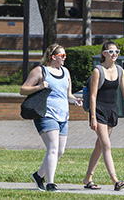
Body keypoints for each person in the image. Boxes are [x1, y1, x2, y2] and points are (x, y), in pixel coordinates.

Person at [21, 43, 82, 192]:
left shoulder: (65, 72)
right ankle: (51, 183)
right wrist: (39, 86)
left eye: (65, 55)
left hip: (63, 115)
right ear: (53, 57)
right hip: (46, 114)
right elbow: (23, 90)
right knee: (53, 148)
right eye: (62, 56)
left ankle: (38, 175)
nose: (64, 58)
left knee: (59, 151)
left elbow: (67, 95)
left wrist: (75, 101)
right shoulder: (41, 71)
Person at [83, 41, 124, 192]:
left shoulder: (120, 70)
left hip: (112, 111)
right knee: (106, 145)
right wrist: (93, 117)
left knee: (100, 146)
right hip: (99, 111)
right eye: (110, 52)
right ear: (104, 54)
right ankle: (115, 180)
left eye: (116, 52)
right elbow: (93, 97)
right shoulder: (98, 71)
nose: (114, 54)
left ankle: (88, 178)